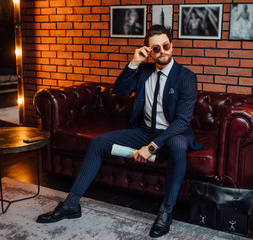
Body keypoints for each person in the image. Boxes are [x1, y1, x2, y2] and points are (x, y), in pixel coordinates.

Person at [36, 25, 202, 238]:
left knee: (179, 145)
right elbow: (120, 91)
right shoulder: (143, 71)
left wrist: (152, 147)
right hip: (144, 130)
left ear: (173, 46)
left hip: (173, 133)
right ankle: (71, 204)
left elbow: (181, 121)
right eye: (156, 48)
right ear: (148, 51)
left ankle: (166, 211)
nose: (162, 52)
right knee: (97, 143)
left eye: (166, 46)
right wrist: (134, 63)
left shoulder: (186, 77)